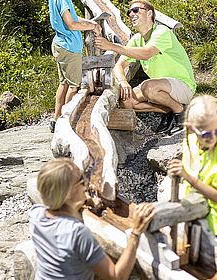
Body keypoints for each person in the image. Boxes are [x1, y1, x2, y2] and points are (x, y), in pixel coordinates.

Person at [30, 157, 155, 279]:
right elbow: (116, 277)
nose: (86, 184)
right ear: (68, 193)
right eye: (82, 181)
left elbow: (63, 210)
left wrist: (84, 200)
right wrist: (135, 233)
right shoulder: (76, 232)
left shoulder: (36, 214)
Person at [95, 0, 196, 135]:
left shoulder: (161, 32)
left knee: (148, 87)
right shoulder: (137, 39)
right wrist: (123, 82)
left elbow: (146, 53)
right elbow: (119, 66)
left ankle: (180, 113)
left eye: (136, 10)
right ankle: (168, 109)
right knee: (126, 101)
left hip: (183, 86)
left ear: (149, 13)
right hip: (161, 87)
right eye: (129, 12)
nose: (131, 14)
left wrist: (112, 46)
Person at [166, 95, 217, 261]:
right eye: (207, 134)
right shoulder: (191, 141)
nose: (214, 138)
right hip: (196, 220)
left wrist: (187, 176)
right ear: (190, 129)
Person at [48, 0, 101, 132]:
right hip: (69, 48)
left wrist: (90, 22)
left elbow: (72, 17)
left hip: (60, 45)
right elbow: (71, 24)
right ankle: (66, 122)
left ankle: (56, 119)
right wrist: (92, 27)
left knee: (64, 83)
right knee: (73, 86)